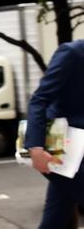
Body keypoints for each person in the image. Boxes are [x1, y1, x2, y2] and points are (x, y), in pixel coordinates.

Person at [25, 39, 84, 228]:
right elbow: (40, 99)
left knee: (56, 215)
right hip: (63, 146)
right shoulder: (72, 52)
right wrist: (35, 147)